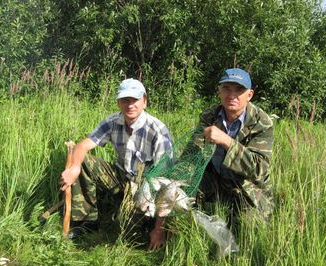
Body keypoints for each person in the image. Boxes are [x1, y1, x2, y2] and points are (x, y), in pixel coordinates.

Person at [60, 78, 173, 250]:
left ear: (144, 101)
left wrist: (159, 229)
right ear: (119, 102)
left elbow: (166, 182)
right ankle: (86, 221)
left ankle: (147, 223)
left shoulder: (158, 130)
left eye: (134, 100)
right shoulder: (112, 122)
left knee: (127, 235)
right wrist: (74, 168)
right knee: (84, 162)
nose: (130, 105)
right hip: (120, 176)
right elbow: (83, 145)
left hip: (144, 188)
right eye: (125, 100)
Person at [190, 68, 274, 227]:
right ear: (219, 91)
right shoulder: (209, 116)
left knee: (249, 227)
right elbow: (191, 155)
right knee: (181, 194)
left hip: (247, 187)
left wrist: (227, 142)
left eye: (239, 90)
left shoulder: (261, 122)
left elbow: (259, 169)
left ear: (249, 95)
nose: (232, 95)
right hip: (216, 180)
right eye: (226, 88)